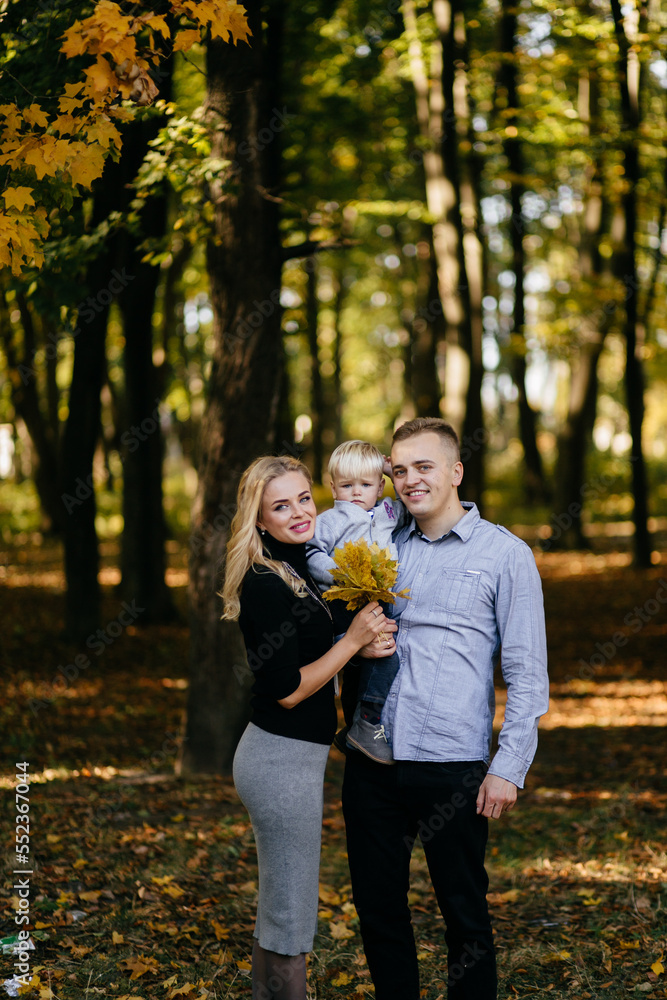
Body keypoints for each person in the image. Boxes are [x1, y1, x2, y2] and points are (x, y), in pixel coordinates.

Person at [342, 417, 549, 1000]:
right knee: (378, 911)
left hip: (450, 762)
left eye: (424, 467)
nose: (410, 480)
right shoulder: (375, 544)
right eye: (399, 469)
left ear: (456, 471)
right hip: (372, 759)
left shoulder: (505, 555)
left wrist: (509, 765)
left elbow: (528, 671)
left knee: (464, 913)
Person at [223, 455, 392, 1000]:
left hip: (292, 758)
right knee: (292, 912)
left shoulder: (298, 565)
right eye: (280, 505)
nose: (298, 512)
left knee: (281, 904)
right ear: (260, 519)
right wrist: (351, 643)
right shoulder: (266, 583)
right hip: (278, 760)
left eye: (303, 498)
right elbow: (288, 688)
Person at [306, 440, 406, 764]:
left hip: (380, 596)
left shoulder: (389, 510)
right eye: (347, 485)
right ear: (333, 487)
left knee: (373, 663)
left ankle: (353, 726)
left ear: (380, 486)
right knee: (383, 657)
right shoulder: (332, 519)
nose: (356, 493)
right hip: (349, 599)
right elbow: (311, 553)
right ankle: (366, 721)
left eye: (366, 484)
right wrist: (342, 574)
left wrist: (393, 471)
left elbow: (413, 501)